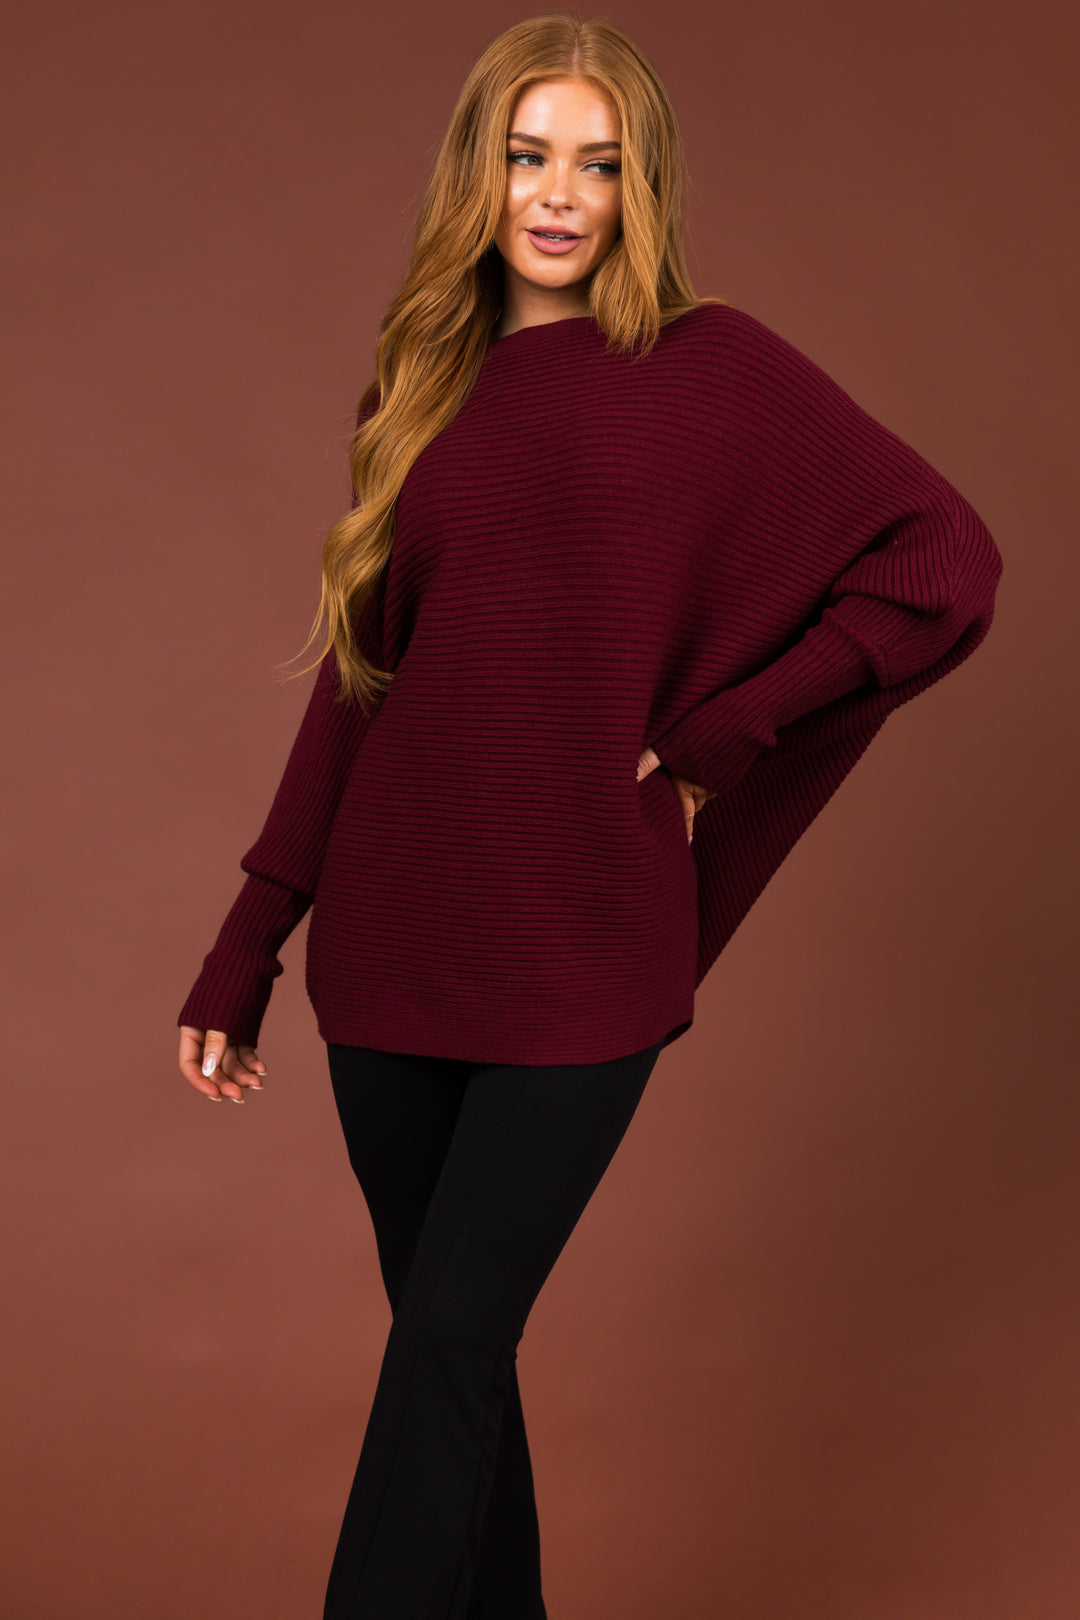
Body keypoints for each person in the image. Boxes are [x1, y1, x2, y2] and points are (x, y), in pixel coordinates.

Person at [175, 15, 1004, 1619]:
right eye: (529, 154)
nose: (560, 194)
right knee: (454, 1361)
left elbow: (942, 561)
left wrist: (731, 727)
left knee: (452, 1341)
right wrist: (246, 942)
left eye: (600, 164)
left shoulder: (714, 367)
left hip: (585, 943)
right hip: (392, 943)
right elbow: (359, 683)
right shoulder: (424, 382)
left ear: (643, 187)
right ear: (477, 173)